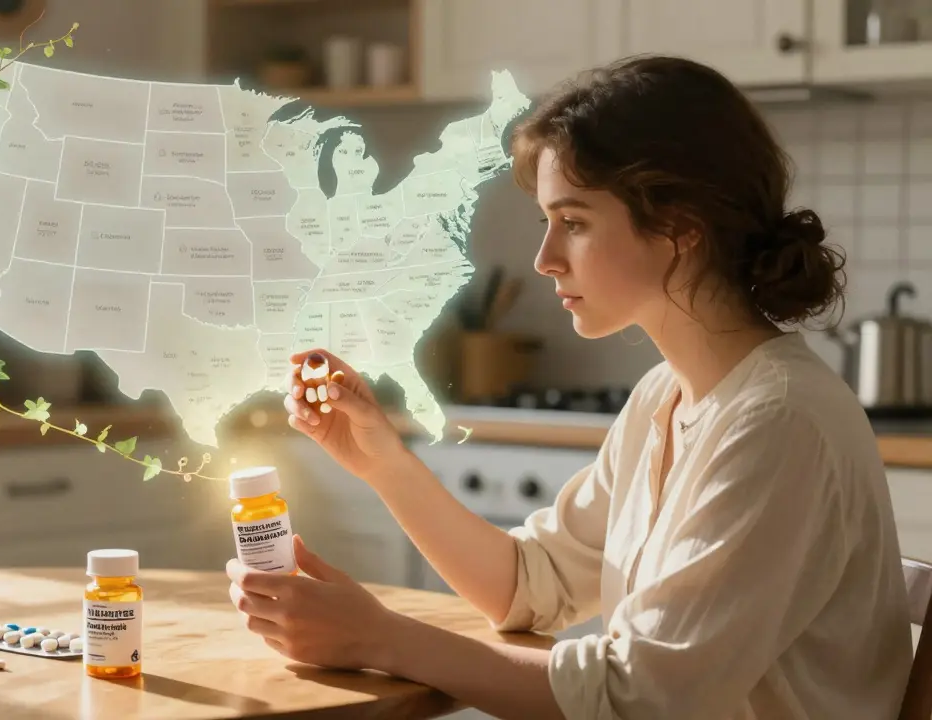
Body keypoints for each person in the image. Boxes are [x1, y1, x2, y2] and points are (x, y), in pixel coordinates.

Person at [224, 54, 914, 719]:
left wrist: (380, 637)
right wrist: (382, 461)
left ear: (679, 228)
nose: (544, 259)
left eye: (575, 223)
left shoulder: (780, 421)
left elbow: (637, 699)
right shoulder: (664, 397)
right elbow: (530, 587)